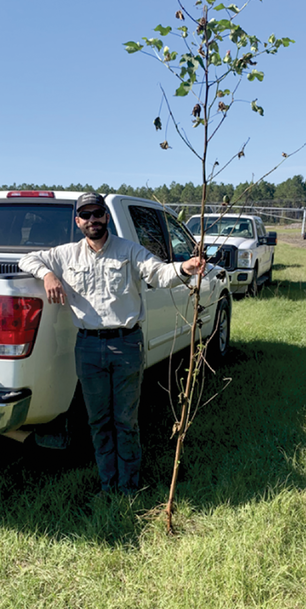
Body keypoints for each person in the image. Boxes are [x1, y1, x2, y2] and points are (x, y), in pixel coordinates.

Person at [17, 193, 207, 495]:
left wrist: (184, 267)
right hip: (88, 347)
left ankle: (129, 486)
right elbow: (27, 258)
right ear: (78, 221)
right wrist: (48, 274)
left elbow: (158, 274)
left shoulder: (130, 251)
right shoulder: (65, 254)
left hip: (126, 345)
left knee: (126, 421)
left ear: (106, 216)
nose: (92, 219)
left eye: (97, 213)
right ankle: (108, 485)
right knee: (98, 421)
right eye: (86, 215)